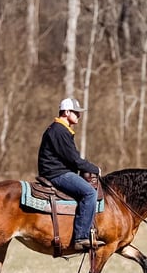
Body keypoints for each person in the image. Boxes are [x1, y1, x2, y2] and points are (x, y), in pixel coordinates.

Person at [37, 97, 105, 251]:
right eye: (76, 112)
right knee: (89, 193)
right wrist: (95, 169)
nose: (79, 116)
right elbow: (74, 160)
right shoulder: (59, 130)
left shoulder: (59, 129)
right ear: (66, 112)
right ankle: (81, 237)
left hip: (56, 171)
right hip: (57, 173)